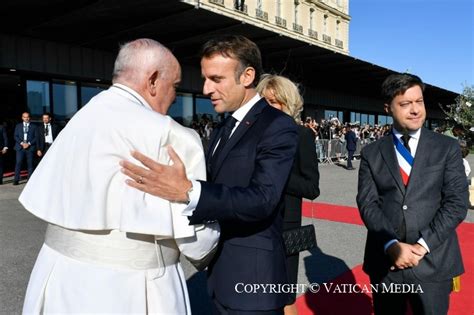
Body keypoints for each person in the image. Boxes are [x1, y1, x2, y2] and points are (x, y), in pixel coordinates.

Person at [19, 38, 219, 314]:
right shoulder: (173, 136)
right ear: (152, 80)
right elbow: (197, 242)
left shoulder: (79, 119)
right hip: (133, 288)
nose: (174, 97)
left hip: (56, 276)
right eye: (174, 86)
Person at [121, 35, 298, 314]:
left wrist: (189, 191)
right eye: (205, 79)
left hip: (254, 281)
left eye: (216, 79)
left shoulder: (278, 126)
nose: (206, 89)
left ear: (247, 76)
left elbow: (263, 199)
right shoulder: (223, 126)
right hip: (220, 275)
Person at [357, 73, 468, 315]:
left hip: (433, 260)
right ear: (388, 108)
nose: (415, 110)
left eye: (419, 102)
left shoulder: (446, 148)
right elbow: (368, 203)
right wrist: (391, 244)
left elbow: (456, 202)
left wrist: (422, 245)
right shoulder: (372, 153)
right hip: (386, 262)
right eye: (405, 104)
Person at [256, 74, 320, 315]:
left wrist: (277, 175)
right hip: (252, 224)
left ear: (288, 104)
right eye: (265, 101)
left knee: (285, 296)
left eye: (275, 102)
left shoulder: (301, 136)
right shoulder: (252, 136)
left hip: (285, 228)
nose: (269, 107)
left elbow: (312, 188)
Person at [13, 112, 37, 185]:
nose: (26, 118)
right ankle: (16, 180)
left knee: (30, 164)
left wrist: (29, 144)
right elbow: (15, 136)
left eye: (28, 117)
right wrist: (22, 143)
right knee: (18, 163)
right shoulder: (18, 126)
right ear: (22, 118)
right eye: (25, 117)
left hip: (30, 147)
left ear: (29, 117)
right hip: (20, 148)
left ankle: (29, 180)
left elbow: (36, 137)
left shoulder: (34, 126)